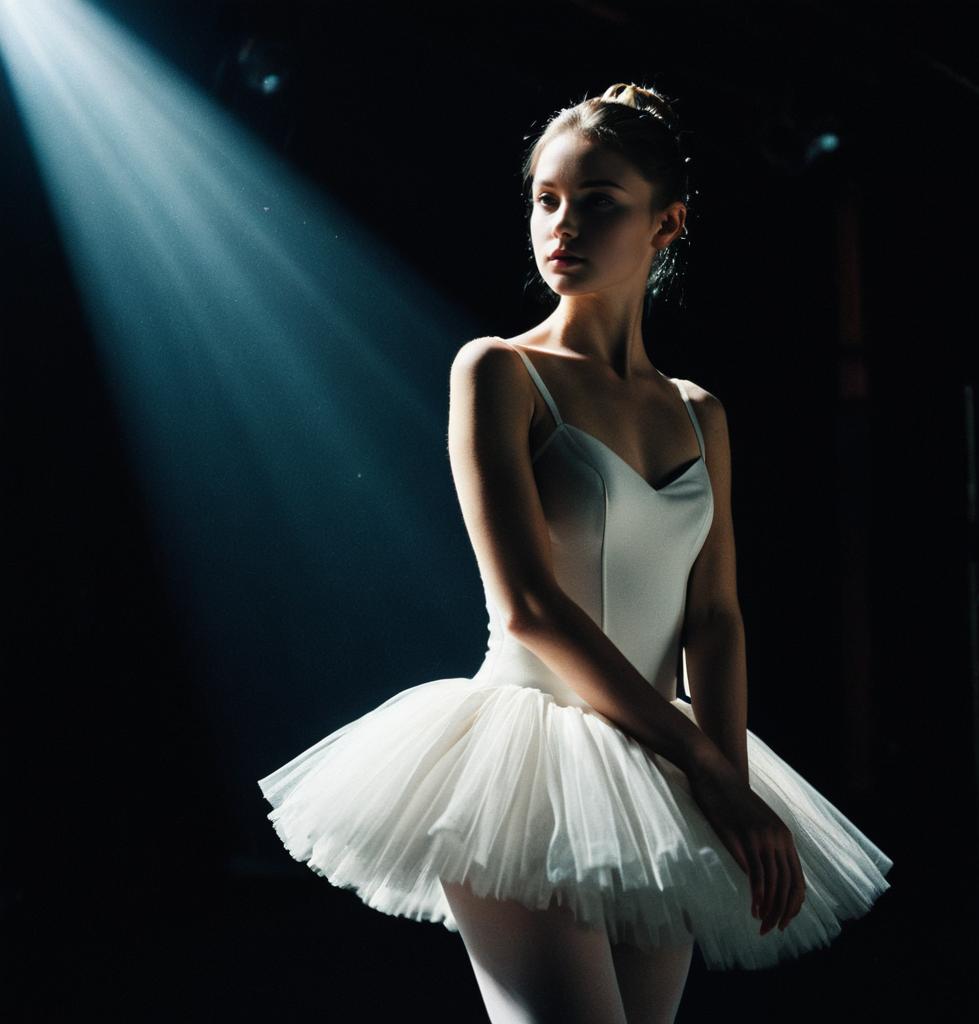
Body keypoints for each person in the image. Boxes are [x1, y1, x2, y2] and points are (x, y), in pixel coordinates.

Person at [257, 82, 893, 1023]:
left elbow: (715, 617)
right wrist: (710, 771)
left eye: (600, 201)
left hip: (661, 769)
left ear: (666, 223)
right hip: (525, 765)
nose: (564, 224)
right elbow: (528, 609)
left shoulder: (697, 410)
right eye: (547, 200)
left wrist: (728, 781)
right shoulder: (497, 371)